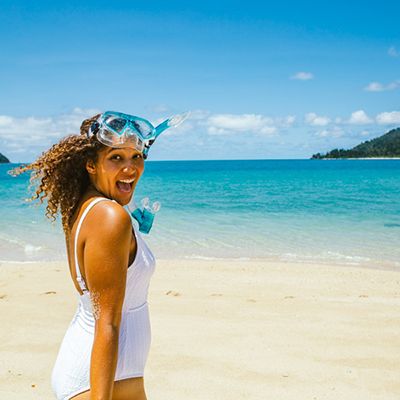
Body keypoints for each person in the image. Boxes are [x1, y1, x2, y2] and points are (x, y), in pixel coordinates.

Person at [12, 111, 187, 400]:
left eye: (137, 157)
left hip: (114, 377)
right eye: (116, 157)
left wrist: (130, 226)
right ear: (91, 164)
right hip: (95, 384)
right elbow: (107, 321)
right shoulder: (109, 215)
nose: (130, 168)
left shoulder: (94, 207)